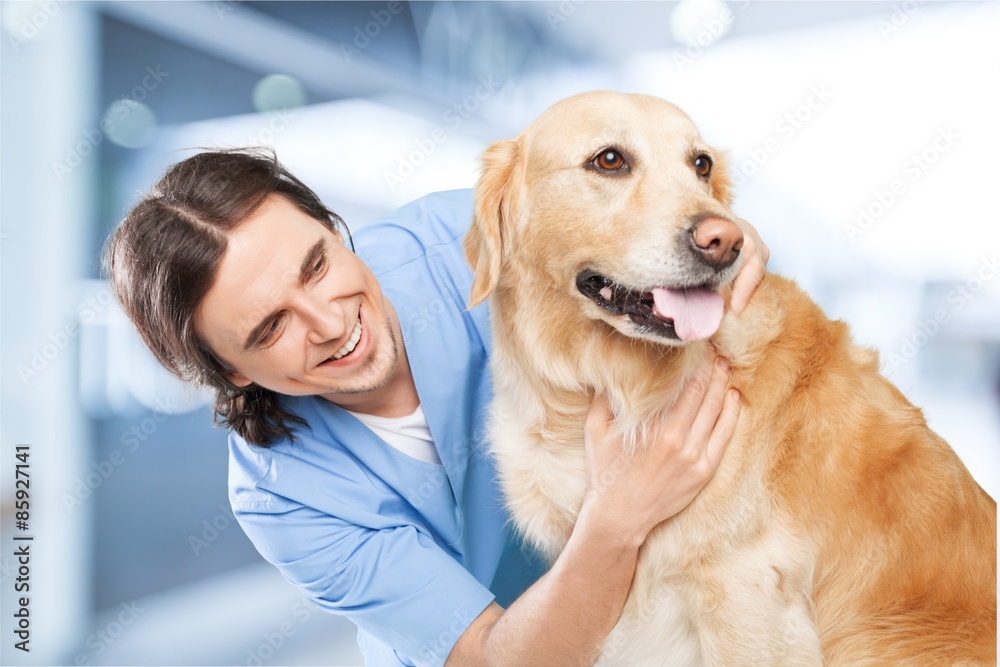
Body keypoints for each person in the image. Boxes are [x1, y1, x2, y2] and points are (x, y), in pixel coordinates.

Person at [105, 148, 768, 666]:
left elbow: (678, 241)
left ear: (332, 227)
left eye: (315, 265)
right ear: (230, 373)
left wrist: (715, 247)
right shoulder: (286, 499)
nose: (330, 323)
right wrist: (619, 516)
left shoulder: (479, 237)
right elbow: (490, 654)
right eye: (270, 327)